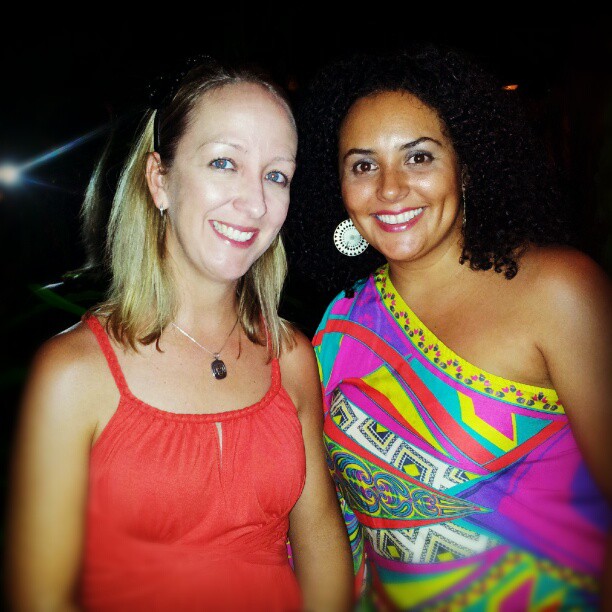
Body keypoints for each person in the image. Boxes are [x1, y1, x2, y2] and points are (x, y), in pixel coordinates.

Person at [5, 56, 354, 611]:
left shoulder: (289, 355)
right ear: (159, 179)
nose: (255, 203)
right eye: (224, 162)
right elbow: (40, 598)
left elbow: (321, 545)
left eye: (276, 175)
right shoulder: (73, 372)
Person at [287, 44, 612, 611]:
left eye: (418, 158)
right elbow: (331, 528)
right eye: (363, 165)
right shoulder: (340, 324)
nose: (390, 189)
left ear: (467, 164)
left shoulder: (558, 293)